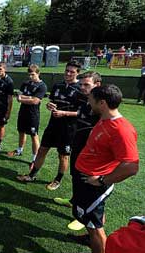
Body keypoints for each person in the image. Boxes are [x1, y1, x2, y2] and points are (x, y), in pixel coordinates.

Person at [72, 84, 139, 253]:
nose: (89, 103)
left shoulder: (121, 129)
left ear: (102, 103)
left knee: (94, 226)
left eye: (91, 100)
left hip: (93, 184)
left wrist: (102, 180)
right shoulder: (104, 118)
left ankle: (97, 242)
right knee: (90, 220)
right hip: (85, 179)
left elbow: (131, 166)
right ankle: (90, 238)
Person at [17, 61, 82, 191]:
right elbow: (51, 102)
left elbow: (82, 112)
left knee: (63, 155)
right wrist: (49, 106)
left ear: (77, 73)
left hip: (68, 128)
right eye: (67, 70)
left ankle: (57, 180)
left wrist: (64, 113)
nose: (68, 73)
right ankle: (32, 175)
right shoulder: (58, 85)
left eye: (72, 72)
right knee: (42, 150)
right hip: (53, 125)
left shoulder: (81, 89)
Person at [51, 71, 102, 231]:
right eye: (81, 84)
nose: (82, 87)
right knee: (76, 176)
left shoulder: (101, 105)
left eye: (86, 84)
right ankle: (74, 201)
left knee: (88, 183)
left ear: (97, 85)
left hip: (92, 152)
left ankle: (84, 216)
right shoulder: (83, 100)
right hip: (78, 144)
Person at [7, 65, 47, 162]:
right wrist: (29, 97)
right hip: (23, 112)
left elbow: (35, 101)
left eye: (32, 74)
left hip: (33, 114)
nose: (30, 77)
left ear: (38, 73)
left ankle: (34, 159)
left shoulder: (42, 86)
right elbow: (18, 96)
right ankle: (19, 150)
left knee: (34, 135)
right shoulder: (25, 83)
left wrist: (24, 98)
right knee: (21, 132)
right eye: (29, 75)